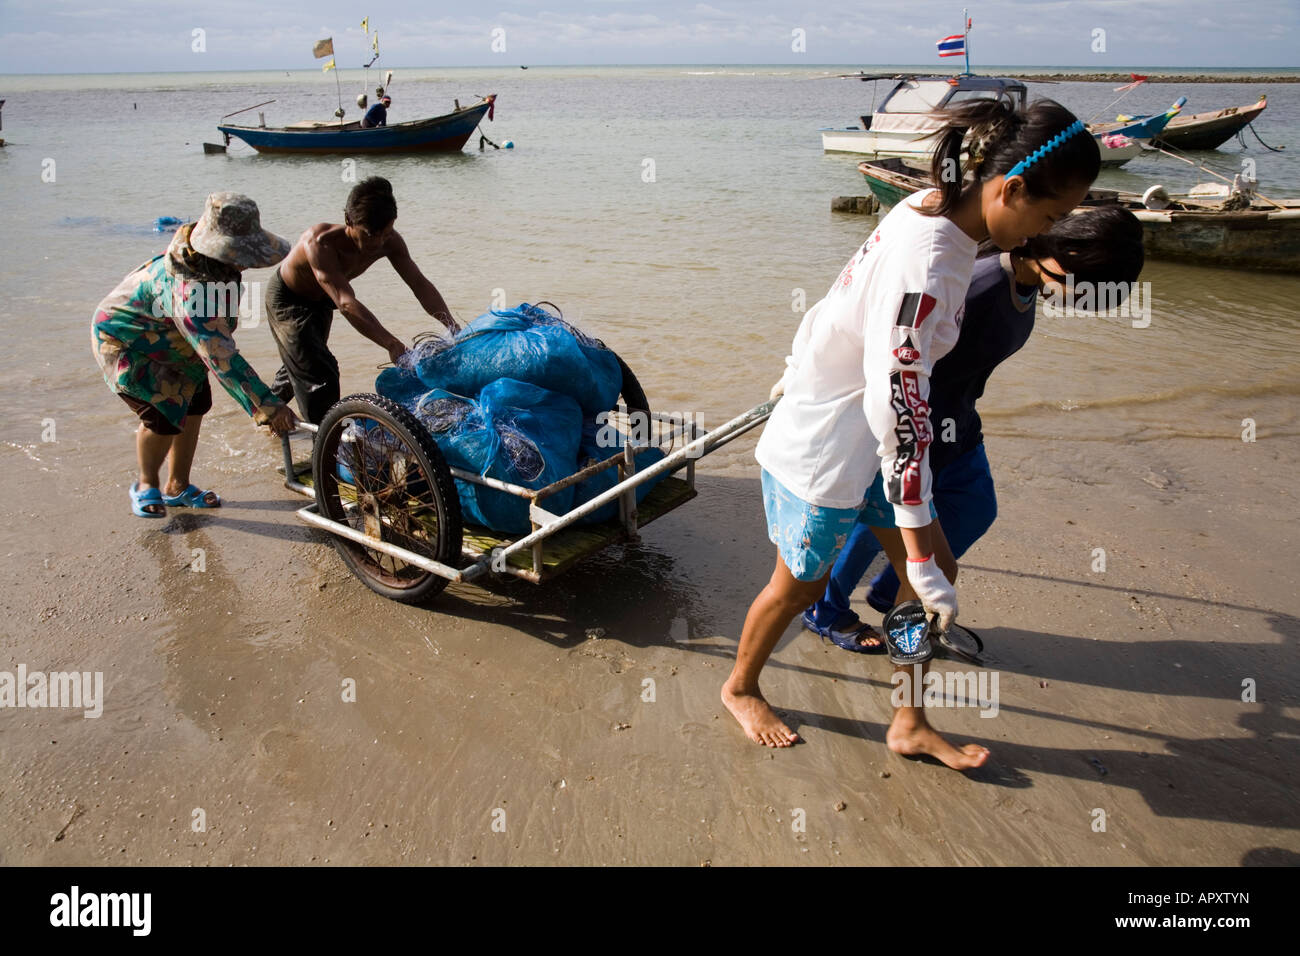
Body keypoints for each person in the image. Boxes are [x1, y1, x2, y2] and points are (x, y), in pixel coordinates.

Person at [722, 99, 1101, 768]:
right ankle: (740, 686)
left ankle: (909, 720)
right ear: (1009, 188)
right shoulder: (931, 263)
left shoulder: (930, 207)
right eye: (1046, 216)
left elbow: (835, 307)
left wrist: (798, 361)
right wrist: (919, 542)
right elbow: (898, 404)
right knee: (802, 587)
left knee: (927, 581)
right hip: (828, 452)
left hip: (869, 447)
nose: (1046, 231)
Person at [800, 205, 1147, 652]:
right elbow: (897, 362)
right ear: (1061, 259)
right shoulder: (978, 287)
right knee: (880, 521)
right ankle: (825, 608)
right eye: (1084, 290)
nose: (1079, 302)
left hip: (959, 421)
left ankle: (896, 595)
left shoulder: (1027, 283)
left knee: (975, 508)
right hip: (917, 428)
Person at [92, 192, 299, 518]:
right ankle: (147, 484)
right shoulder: (189, 290)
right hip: (128, 341)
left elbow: (217, 339)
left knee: (196, 404)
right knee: (163, 416)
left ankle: (178, 486)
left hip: (176, 342)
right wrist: (269, 406)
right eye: (240, 254)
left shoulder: (211, 266)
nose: (245, 262)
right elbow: (221, 356)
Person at [266, 176, 459, 423]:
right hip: (289, 300)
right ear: (348, 220)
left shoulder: (391, 242)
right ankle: (324, 444)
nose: (378, 242)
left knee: (303, 359)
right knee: (320, 373)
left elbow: (418, 283)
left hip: (323, 301)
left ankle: (267, 412)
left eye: (385, 233)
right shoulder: (319, 243)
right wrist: (390, 343)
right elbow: (346, 303)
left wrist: (452, 325)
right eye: (370, 235)